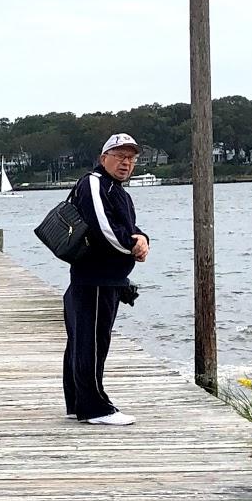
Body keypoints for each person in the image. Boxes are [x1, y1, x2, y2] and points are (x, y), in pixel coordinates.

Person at [63, 133, 150, 426]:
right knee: (91, 341)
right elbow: (103, 229)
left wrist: (142, 239)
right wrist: (131, 244)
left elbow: (127, 227)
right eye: (120, 156)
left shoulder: (118, 192)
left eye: (131, 158)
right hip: (95, 276)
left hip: (105, 277)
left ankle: (78, 402)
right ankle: (95, 407)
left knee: (83, 340)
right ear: (104, 159)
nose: (126, 162)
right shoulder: (94, 182)